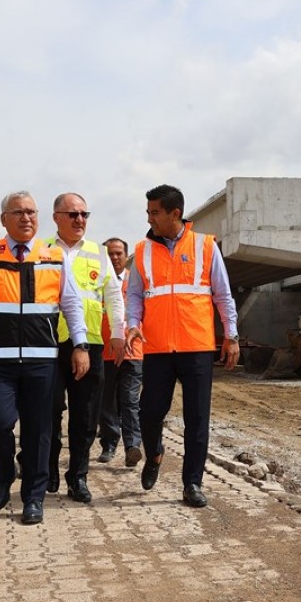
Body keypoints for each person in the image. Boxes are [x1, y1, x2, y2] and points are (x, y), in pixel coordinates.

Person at [0, 191, 89, 525]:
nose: (26, 218)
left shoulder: (54, 255)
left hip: (43, 360)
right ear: (4, 220)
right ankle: (3, 472)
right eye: (18, 212)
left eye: (31, 212)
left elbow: (70, 302)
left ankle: (33, 497)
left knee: (39, 431)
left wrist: (81, 344)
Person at [126, 184, 239, 508]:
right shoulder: (143, 250)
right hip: (157, 348)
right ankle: (155, 454)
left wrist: (230, 336)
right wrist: (134, 324)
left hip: (197, 346)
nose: (149, 218)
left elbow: (222, 294)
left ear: (175, 213)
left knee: (197, 419)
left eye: (155, 212)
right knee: (149, 413)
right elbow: (134, 294)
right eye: (148, 212)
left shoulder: (205, 246)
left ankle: (192, 483)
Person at [44, 193, 125, 503]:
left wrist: (118, 331)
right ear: (56, 218)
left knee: (86, 415)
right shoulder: (43, 251)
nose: (80, 220)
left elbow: (113, 295)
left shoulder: (98, 252)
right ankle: (48, 469)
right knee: (48, 411)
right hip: (50, 343)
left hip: (90, 343)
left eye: (84, 215)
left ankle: (78, 476)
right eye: (73, 214)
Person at [98, 237, 143, 467]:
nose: (115, 257)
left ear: (126, 256)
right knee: (106, 402)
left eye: (119, 253)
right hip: (104, 352)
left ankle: (132, 446)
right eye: (110, 254)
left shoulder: (136, 282)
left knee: (129, 401)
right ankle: (109, 443)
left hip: (132, 352)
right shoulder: (98, 281)